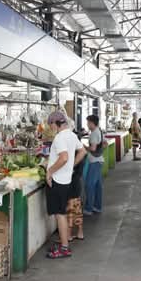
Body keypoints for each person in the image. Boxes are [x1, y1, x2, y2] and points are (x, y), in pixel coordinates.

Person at [45, 111, 80, 259]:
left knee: (60, 215)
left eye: (51, 125)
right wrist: (72, 166)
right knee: (62, 214)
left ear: (56, 123)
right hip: (66, 180)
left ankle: (64, 248)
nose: (51, 128)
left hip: (58, 181)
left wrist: (50, 171)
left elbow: (64, 157)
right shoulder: (72, 135)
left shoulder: (59, 137)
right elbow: (82, 151)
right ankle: (64, 244)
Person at [83, 115, 105, 216]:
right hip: (99, 161)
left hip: (94, 162)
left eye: (88, 123)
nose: (87, 125)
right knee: (97, 186)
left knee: (89, 185)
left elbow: (93, 148)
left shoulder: (93, 134)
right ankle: (97, 206)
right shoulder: (99, 131)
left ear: (92, 123)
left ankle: (89, 208)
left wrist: (83, 146)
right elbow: (104, 143)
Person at [67, 144, 88, 243]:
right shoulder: (82, 154)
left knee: (70, 210)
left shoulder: (74, 155)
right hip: (77, 184)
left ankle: (69, 234)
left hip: (71, 184)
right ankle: (80, 232)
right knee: (77, 209)